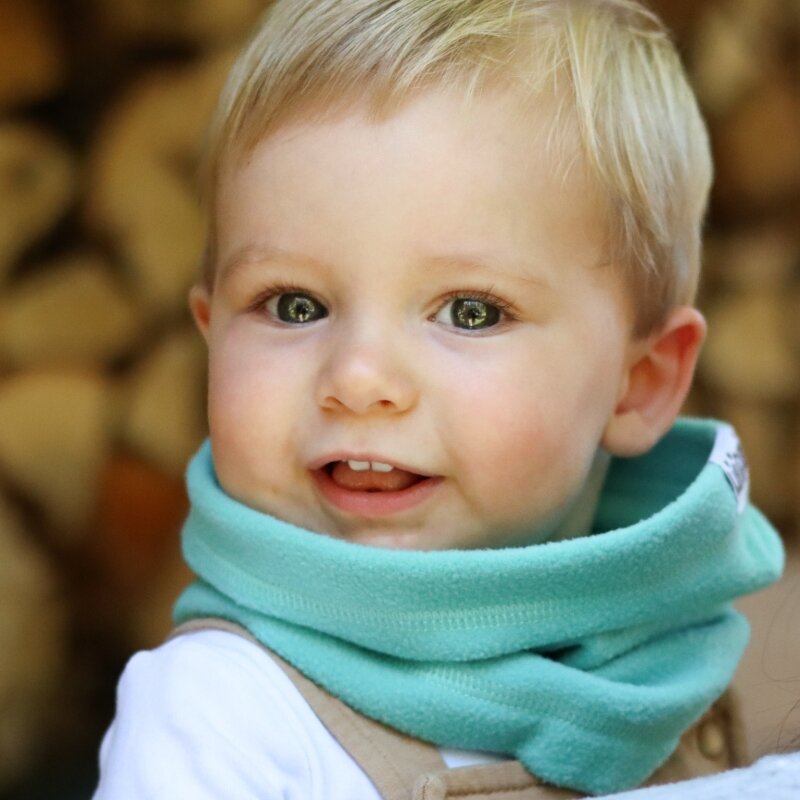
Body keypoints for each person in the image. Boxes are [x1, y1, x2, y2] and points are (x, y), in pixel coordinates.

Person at [92, 1, 785, 797]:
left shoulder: (662, 674)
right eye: (294, 305)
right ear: (212, 333)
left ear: (640, 383)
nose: (358, 379)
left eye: (470, 312)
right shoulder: (220, 716)